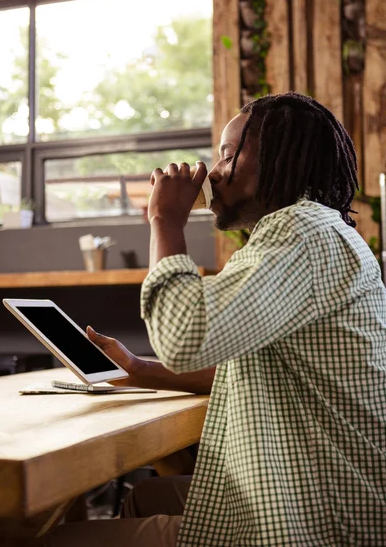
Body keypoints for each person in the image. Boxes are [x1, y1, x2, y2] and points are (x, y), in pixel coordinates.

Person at [44, 92, 386, 546]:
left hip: (312, 519)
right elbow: (241, 361)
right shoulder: (319, 232)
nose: (213, 172)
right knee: (145, 498)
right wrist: (139, 368)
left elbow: (185, 335)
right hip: (330, 490)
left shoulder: (298, 233)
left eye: (228, 154)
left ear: (280, 156)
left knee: (53, 540)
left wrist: (165, 220)